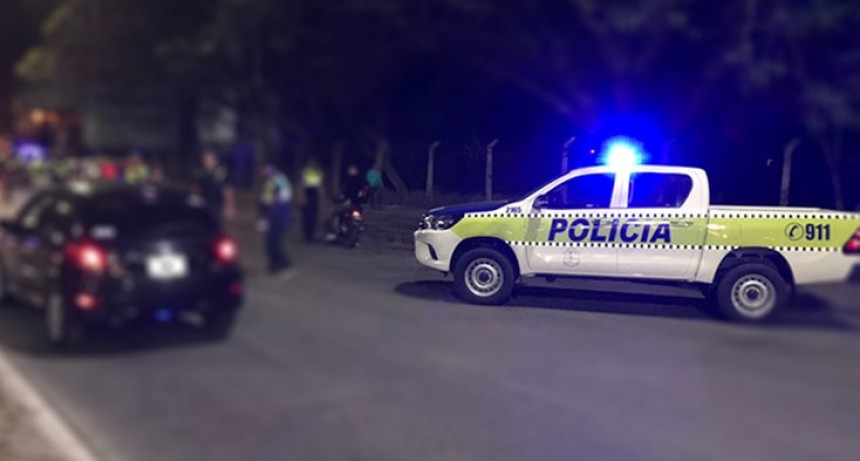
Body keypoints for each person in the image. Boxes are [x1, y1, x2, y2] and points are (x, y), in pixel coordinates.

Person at [259, 162, 295, 277]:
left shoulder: (279, 180)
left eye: (262, 169)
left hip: (280, 218)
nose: (261, 172)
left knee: (275, 243)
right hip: (273, 217)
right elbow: (266, 200)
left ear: (268, 168)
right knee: (269, 244)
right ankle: (273, 266)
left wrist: (268, 219)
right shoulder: (269, 180)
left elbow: (279, 203)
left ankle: (284, 265)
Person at [325, 164, 368, 241]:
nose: (350, 171)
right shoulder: (356, 181)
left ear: (356, 170)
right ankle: (342, 229)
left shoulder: (356, 181)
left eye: (352, 169)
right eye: (350, 169)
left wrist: (349, 200)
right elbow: (347, 193)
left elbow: (356, 193)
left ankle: (335, 232)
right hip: (356, 204)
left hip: (352, 204)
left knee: (336, 213)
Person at [193, 151, 234, 225]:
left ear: (215, 161)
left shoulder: (221, 174)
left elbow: (227, 191)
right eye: (204, 160)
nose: (205, 162)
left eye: (208, 160)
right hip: (203, 203)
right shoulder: (200, 173)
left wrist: (229, 207)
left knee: (215, 224)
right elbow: (195, 188)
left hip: (216, 204)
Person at [299, 159, 325, 242]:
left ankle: (311, 235)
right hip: (308, 193)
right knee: (306, 215)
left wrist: (321, 197)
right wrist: (302, 197)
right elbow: (301, 185)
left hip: (314, 195)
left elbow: (320, 186)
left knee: (314, 215)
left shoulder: (319, 172)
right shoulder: (305, 172)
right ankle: (307, 234)